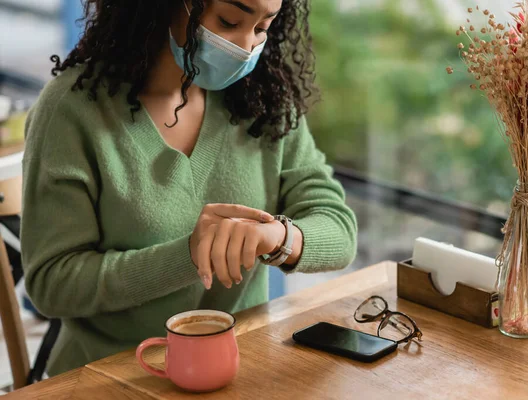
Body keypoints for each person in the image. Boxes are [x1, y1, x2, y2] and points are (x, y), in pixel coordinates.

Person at [21, 0, 357, 376]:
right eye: (229, 21)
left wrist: (279, 237)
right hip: (110, 375)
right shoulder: (72, 110)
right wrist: (191, 255)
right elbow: (52, 284)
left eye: (263, 27)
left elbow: (338, 229)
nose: (247, 46)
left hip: (235, 370)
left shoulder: (265, 100)